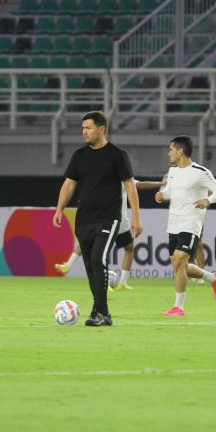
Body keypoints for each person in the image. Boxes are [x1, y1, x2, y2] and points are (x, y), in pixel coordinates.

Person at [52, 111, 143, 326]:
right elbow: (69, 184)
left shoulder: (117, 154)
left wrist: (136, 217)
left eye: (88, 128)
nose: (84, 132)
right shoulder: (79, 155)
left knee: (97, 259)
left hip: (108, 218)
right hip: (83, 219)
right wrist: (59, 209)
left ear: (101, 129)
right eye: (82, 128)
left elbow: (130, 185)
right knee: (90, 267)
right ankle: (102, 313)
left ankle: (99, 312)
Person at [155, 136, 216, 316]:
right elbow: (171, 191)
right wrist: (162, 195)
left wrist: (207, 200)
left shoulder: (200, 172)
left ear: (181, 151)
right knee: (181, 266)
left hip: (191, 223)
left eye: (171, 149)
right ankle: (213, 277)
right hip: (173, 223)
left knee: (179, 261)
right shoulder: (173, 172)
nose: (168, 153)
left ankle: (178, 307)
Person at [55, 180, 163, 291]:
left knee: (93, 245)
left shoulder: (103, 180)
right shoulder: (123, 179)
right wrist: (161, 183)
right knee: (122, 250)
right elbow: (141, 185)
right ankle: (120, 283)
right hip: (118, 221)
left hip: (104, 219)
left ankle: (68, 265)